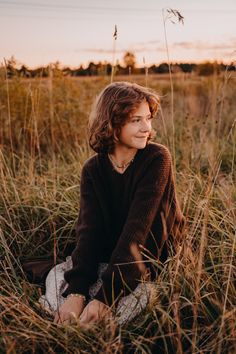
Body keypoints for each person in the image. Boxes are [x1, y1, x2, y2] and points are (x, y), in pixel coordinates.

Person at [50, 81, 185, 325]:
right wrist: (77, 292)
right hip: (111, 255)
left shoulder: (157, 158)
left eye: (148, 118)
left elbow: (138, 232)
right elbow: (89, 231)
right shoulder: (93, 169)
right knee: (60, 285)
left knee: (125, 310)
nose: (147, 128)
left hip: (149, 260)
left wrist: (106, 298)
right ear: (112, 123)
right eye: (136, 120)